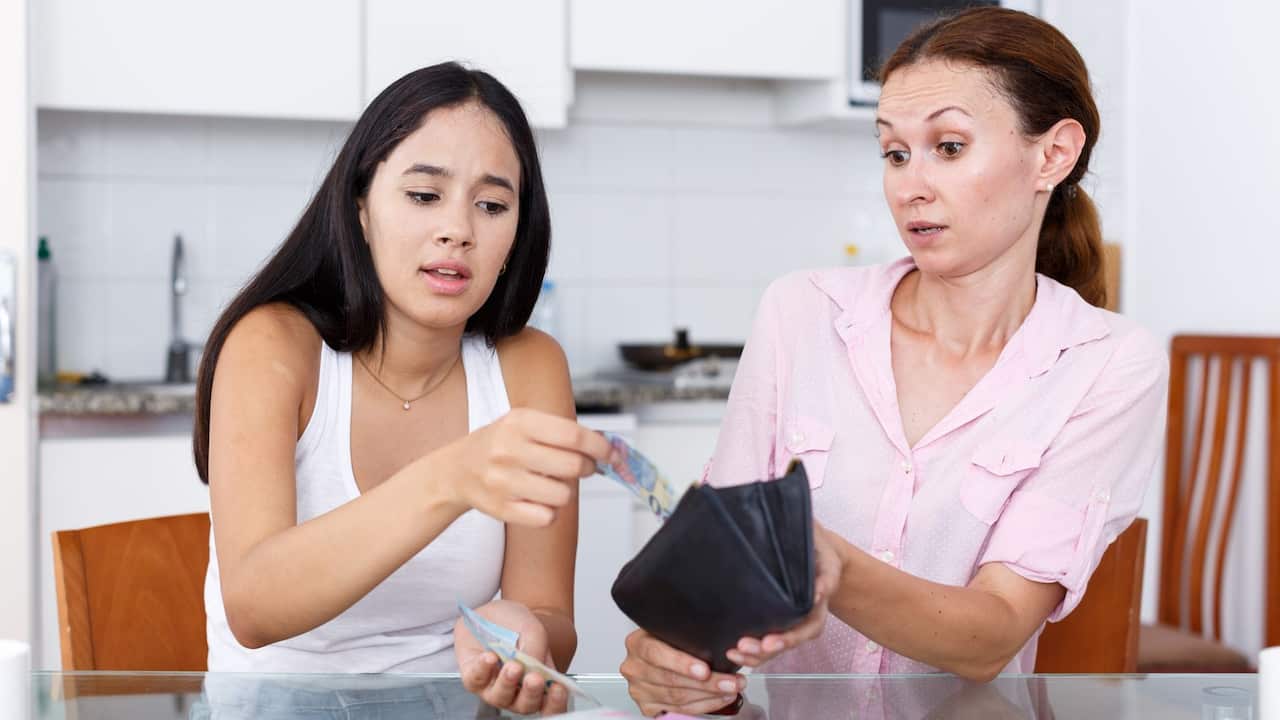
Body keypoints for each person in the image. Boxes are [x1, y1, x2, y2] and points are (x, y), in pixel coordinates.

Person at [619, 7, 1168, 716]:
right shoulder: (800, 314)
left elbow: (991, 635)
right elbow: (710, 585)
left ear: (1053, 155)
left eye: (948, 146)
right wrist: (673, 665)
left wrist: (832, 566)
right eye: (894, 153)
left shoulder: (1107, 364)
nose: (909, 186)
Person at [193, 61, 615, 717]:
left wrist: (524, 632)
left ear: (516, 231)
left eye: (493, 205)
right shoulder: (274, 345)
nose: (458, 230)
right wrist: (453, 478)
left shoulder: (529, 366)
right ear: (361, 207)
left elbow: (552, 614)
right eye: (424, 196)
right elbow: (253, 606)